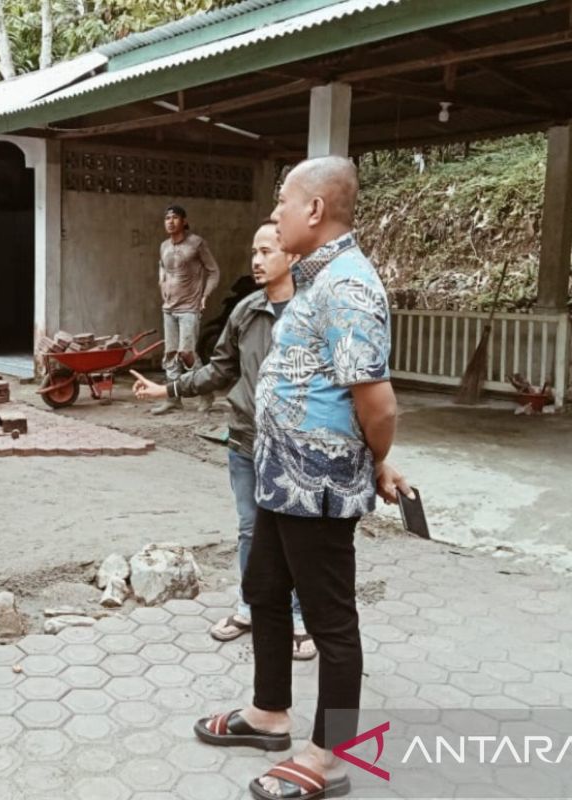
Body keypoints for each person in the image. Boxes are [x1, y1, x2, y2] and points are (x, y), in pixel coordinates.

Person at [194, 156, 412, 800]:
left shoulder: (346, 285)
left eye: (283, 202)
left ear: (314, 210)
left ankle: (330, 756)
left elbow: (378, 402)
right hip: (277, 477)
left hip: (317, 484)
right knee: (263, 591)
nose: (277, 213)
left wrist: (374, 461)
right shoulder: (311, 281)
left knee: (331, 624)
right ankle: (268, 715)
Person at [130, 220, 316, 661]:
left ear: (292, 256)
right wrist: (167, 389)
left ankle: (297, 617)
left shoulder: (314, 313)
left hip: (295, 447)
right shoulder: (246, 311)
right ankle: (249, 607)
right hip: (246, 442)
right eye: (254, 251)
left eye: (266, 251)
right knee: (250, 529)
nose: (256, 260)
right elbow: (219, 370)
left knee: (294, 535)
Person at [154, 204, 220, 415]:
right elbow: (162, 267)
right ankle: (173, 399)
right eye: (167, 218)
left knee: (187, 354)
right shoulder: (164, 246)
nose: (170, 221)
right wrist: (162, 283)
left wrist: (204, 296)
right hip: (169, 307)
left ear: (184, 221)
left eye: (175, 217)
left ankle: (206, 393)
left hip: (189, 306)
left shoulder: (196, 243)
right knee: (171, 354)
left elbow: (213, 271)